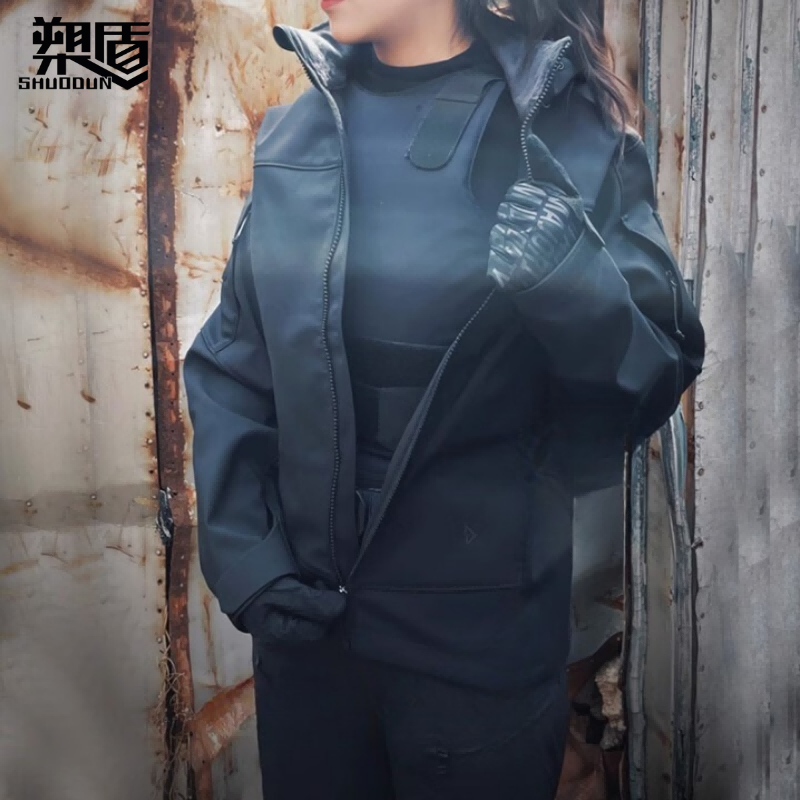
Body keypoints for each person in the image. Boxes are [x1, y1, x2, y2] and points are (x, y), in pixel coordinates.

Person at [184, 0, 705, 797]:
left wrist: (578, 285)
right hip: (310, 654)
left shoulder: (562, 132)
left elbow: (652, 379)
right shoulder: (300, 133)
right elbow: (233, 365)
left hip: (479, 666)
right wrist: (251, 563)